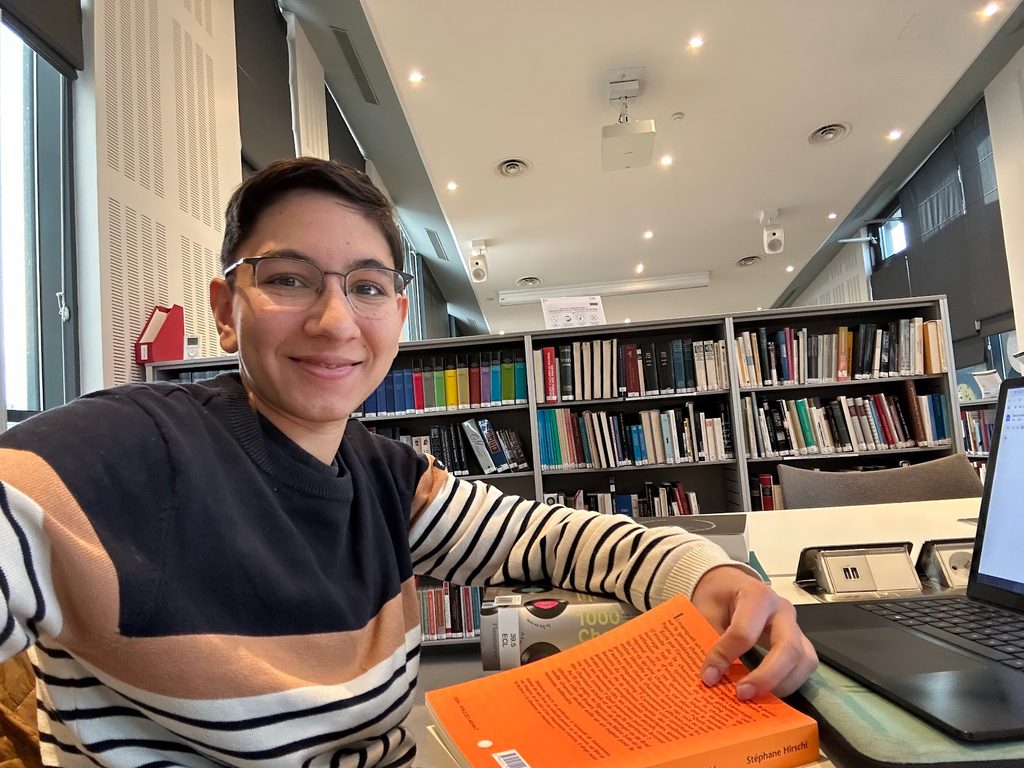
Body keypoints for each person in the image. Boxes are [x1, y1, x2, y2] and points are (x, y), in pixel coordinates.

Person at [0, 157, 817, 767]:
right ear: (225, 309)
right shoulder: (123, 457)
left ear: (397, 311)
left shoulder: (391, 480)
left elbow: (571, 541)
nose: (332, 321)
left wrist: (712, 578)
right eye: (288, 279)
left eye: (365, 286)